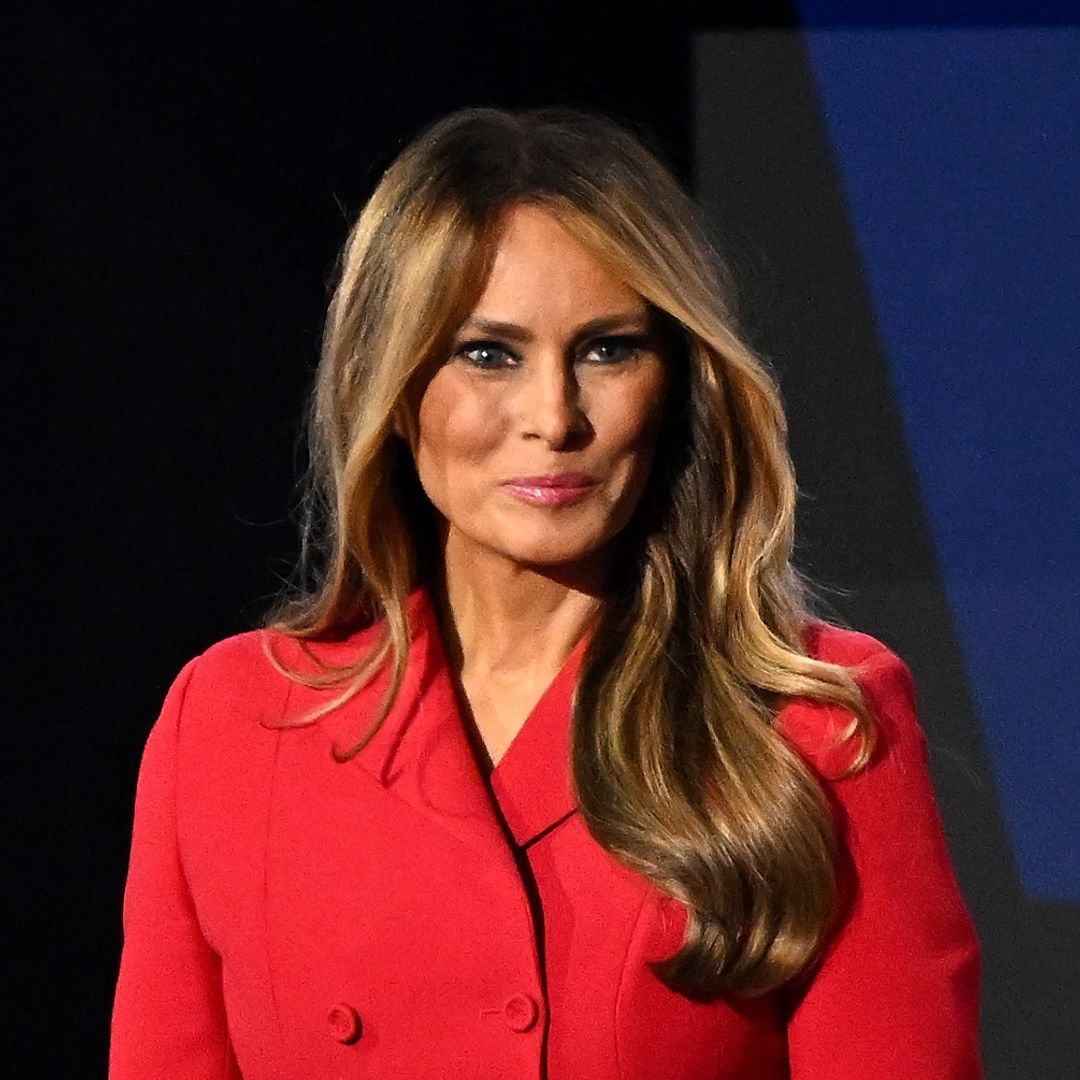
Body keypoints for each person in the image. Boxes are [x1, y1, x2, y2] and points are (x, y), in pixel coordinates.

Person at [109, 106, 983, 1079]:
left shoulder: (819, 722)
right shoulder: (232, 724)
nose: (554, 417)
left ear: (678, 380)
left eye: (610, 349)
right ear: (392, 386)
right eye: (488, 354)